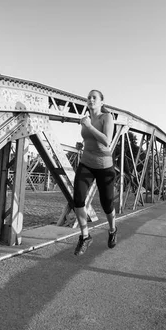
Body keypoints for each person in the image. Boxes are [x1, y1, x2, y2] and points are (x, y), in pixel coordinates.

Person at [72, 89, 117, 255]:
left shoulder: (106, 117)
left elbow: (106, 141)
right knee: (77, 198)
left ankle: (112, 229)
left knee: (107, 204)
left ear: (101, 102)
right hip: (87, 163)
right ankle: (85, 236)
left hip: (104, 166)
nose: (90, 99)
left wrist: (89, 126)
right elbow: (88, 138)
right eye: (88, 97)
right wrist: (81, 145)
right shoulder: (86, 118)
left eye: (94, 97)